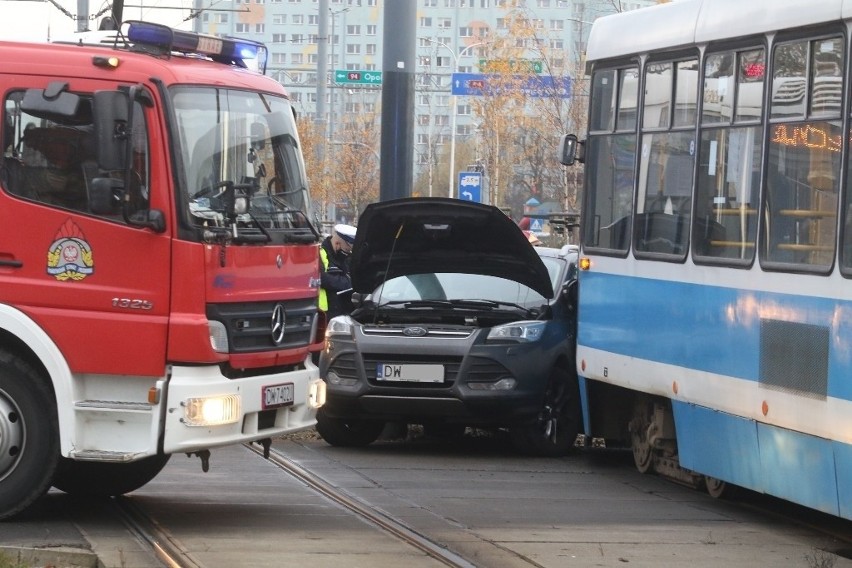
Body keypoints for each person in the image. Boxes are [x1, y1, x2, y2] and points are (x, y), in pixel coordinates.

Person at [319, 223, 357, 320]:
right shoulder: (320, 253)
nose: (348, 253)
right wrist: (349, 283)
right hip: (324, 314)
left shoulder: (346, 258)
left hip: (343, 313)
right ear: (337, 244)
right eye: (346, 249)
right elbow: (322, 278)